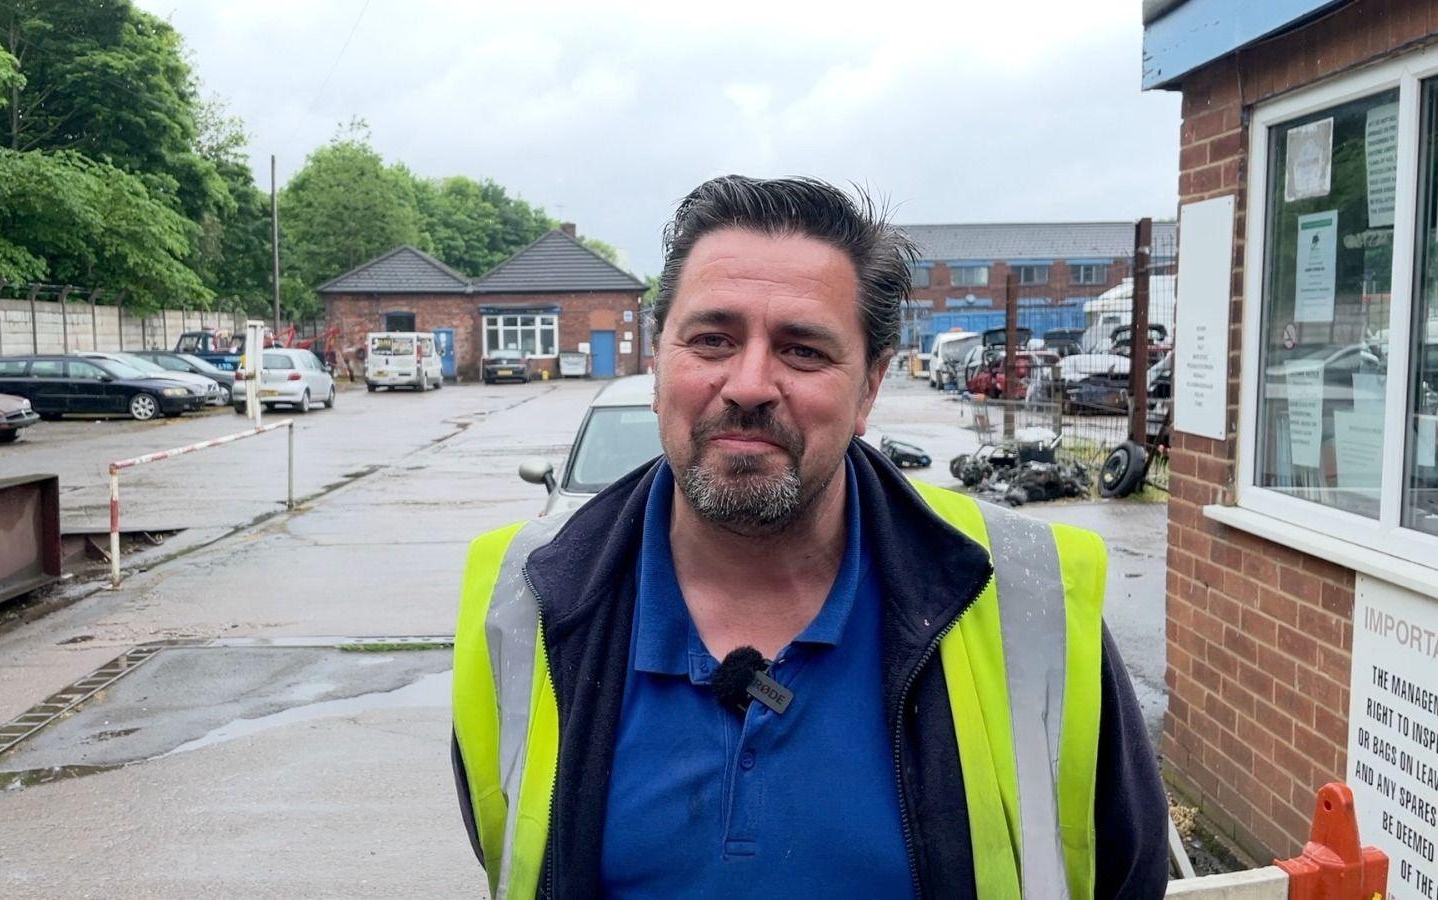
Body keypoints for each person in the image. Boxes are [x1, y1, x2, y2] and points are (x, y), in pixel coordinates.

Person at [451, 175, 1169, 899]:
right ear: (658, 360)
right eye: (711, 340)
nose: (750, 383)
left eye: (802, 351)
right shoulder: (526, 600)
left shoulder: (1023, 595)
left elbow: (1125, 878)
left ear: (870, 387)